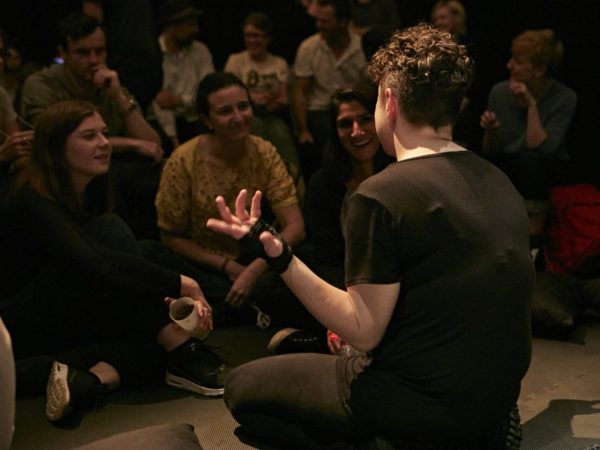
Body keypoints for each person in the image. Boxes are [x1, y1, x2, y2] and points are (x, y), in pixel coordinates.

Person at [207, 23, 533, 448]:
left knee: (243, 388)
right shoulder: (497, 179)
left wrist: (281, 259)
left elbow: (363, 331)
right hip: (494, 396)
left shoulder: (381, 194)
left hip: (421, 399)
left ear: (390, 102)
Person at [0, 100, 229, 424]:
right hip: (22, 321)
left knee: (144, 255)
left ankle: (90, 381)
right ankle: (180, 348)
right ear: (56, 148)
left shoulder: (91, 191)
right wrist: (182, 284)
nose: (105, 143)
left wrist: (160, 286)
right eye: (89, 136)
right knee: (110, 233)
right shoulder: (30, 196)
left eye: (105, 134)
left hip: (74, 310)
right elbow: (94, 263)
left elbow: (110, 267)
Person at [155, 72, 322, 351]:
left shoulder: (264, 151)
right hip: (206, 265)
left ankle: (238, 308)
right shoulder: (183, 160)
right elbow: (170, 236)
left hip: (257, 258)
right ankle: (248, 308)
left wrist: (253, 271)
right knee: (151, 256)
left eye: (243, 107)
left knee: (308, 258)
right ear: (207, 120)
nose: (238, 117)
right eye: (225, 111)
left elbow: (294, 226)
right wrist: (227, 267)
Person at [480, 29, 577, 238]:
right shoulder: (499, 91)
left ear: (539, 70)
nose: (509, 66)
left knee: (531, 161)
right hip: (509, 163)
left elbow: (542, 148)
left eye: (517, 61)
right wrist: (491, 131)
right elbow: (490, 152)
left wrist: (532, 105)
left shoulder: (564, 98)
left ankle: (534, 236)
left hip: (544, 168)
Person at [304, 82, 392, 289]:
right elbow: (327, 258)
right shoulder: (322, 184)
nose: (357, 131)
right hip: (345, 284)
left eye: (365, 120)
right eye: (345, 124)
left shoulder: (403, 172)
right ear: (335, 132)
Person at [293, 0, 366, 179]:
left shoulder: (362, 48)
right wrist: (302, 130)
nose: (319, 26)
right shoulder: (308, 47)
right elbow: (302, 91)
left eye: (325, 22)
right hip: (320, 110)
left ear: (343, 22)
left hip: (353, 107)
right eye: (318, 21)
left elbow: (370, 87)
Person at [224, 12, 300, 174]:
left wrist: (269, 101)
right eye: (248, 36)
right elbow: (228, 95)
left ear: (267, 38)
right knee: (256, 129)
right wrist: (251, 99)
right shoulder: (235, 61)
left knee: (281, 133)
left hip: (272, 114)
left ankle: (293, 180)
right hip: (244, 116)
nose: (252, 40)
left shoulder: (279, 63)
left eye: (257, 36)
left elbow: (283, 97)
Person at [151, 0, 214, 150]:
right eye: (191, 25)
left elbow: (209, 93)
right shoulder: (152, 53)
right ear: (172, 26)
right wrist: (174, 142)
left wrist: (180, 100)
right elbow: (158, 102)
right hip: (162, 126)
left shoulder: (201, 51)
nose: (196, 30)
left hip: (194, 120)